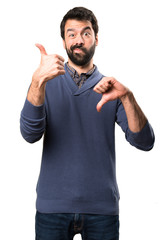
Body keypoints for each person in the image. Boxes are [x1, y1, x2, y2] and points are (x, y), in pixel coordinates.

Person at [20, 6, 155, 240]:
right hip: (53, 208)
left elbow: (145, 142)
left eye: (86, 33)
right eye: (71, 34)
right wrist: (36, 81)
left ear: (96, 39)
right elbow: (29, 134)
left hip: (102, 210)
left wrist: (127, 96)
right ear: (63, 42)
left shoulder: (112, 89)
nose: (79, 40)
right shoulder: (45, 84)